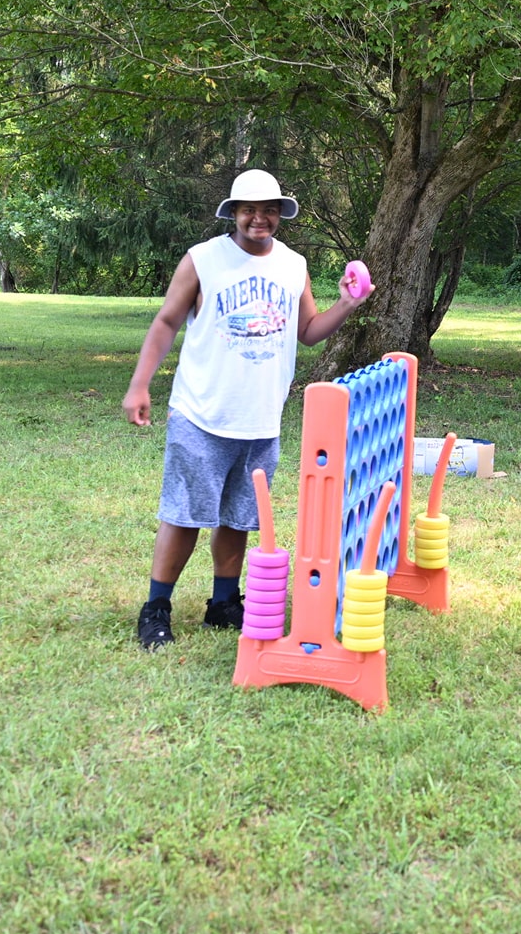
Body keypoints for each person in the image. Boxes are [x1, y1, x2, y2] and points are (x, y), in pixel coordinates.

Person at [122, 168, 373, 649]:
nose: (259, 218)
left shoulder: (293, 264)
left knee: (238, 518)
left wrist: (346, 304)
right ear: (233, 214)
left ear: (280, 214)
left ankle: (222, 604)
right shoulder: (202, 260)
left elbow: (308, 331)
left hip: (261, 418)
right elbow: (167, 321)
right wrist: (140, 386)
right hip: (202, 412)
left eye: (268, 210)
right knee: (184, 516)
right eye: (249, 210)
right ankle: (156, 608)